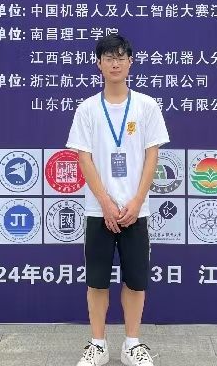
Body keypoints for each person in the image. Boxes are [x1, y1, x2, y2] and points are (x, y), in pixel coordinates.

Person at [66, 33, 170, 366]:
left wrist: (137, 202)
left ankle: (132, 344)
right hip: (99, 211)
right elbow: (84, 158)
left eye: (121, 57)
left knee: (136, 280)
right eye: (109, 57)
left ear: (130, 62)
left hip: (136, 211)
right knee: (97, 281)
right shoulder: (87, 109)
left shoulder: (146, 106)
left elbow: (152, 157)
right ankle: (98, 344)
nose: (115, 63)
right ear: (98, 64)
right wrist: (106, 203)